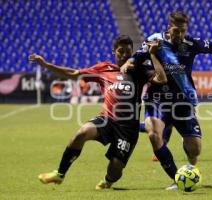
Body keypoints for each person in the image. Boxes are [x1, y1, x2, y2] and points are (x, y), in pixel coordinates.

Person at [121, 11, 212, 190]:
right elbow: (136, 58)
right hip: (158, 98)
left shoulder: (192, 43)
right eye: (176, 31)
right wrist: (127, 63)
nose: (180, 35)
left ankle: (180, 144)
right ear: (169, 28)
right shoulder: (155, 40)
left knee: (194, 149)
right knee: (154, 134)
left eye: (183, 31)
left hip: (184, 101)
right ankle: (176, 177)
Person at [29, 35, 167, 189]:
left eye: (128, 51)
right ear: (114, 51)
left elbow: (161, 79)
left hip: (128, 129)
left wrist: (153, 55)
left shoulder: (140, 70)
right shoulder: (103, 69)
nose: (125, 54)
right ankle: (60, 174)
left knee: (115, 169)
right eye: (121, 51)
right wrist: (46, 64)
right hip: (106, 119)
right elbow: (75, 74)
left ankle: (108, 181)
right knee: (82, 133)